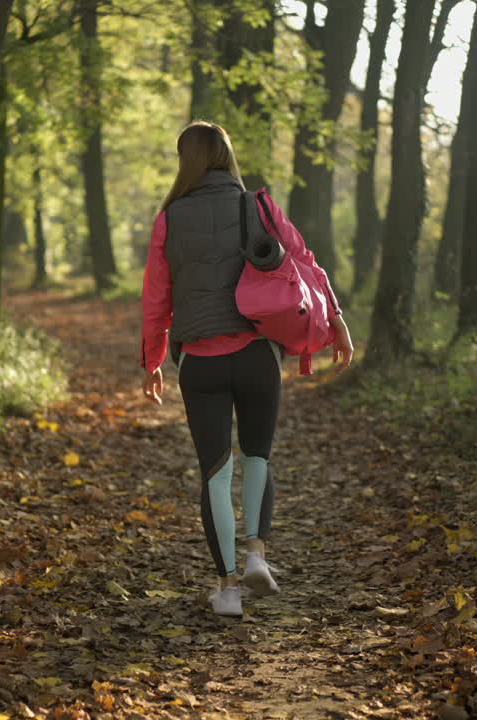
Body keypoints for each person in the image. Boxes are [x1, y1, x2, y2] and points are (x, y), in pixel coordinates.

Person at [139, 121, 354, 617]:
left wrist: (152, 360)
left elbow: (157, 297)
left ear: (185, 160)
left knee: (216, 472)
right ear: (227, 156)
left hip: (201, 364)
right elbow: (305, 263)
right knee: (258, 457)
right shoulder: (257, 205)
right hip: (258, 356)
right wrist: (336, 321)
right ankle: (257, 553)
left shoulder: (168, 218)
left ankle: (228, 588)